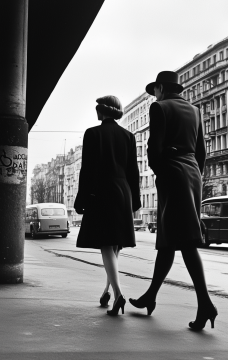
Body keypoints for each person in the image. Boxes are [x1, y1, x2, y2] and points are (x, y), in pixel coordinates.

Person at [129, 71, 217, 331]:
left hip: (172, 174)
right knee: (167, 240)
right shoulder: (195, 110)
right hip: (192, 174)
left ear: (160, 88)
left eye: (154, 91)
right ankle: (150, 296)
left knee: (186, 241)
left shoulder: (159, 107)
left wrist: (163, 171)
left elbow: (154, 151)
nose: (153, 96)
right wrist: (193, 173)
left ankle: (206, 304)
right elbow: (201, 152)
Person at [74, 95, 141, 316]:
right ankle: (107, 292)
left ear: (101, 112)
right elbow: (134, 172)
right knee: (115, 246)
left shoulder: (92, 134)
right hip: (123, 193)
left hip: (102, 192)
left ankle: (119, 295)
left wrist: (81, 198)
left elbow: (87, 170)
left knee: (106, 244)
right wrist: (136, 200)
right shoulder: (129, 136)